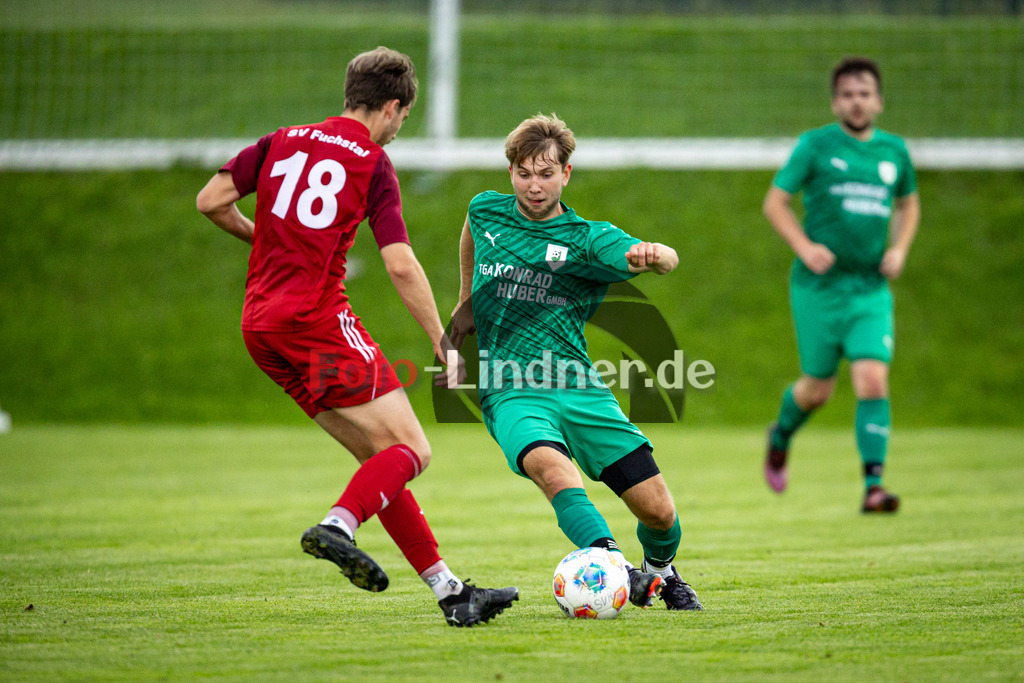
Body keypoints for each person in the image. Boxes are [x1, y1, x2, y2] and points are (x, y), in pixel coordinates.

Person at [196, 46, 517, 626]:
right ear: (392, 107)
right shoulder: (371, 163)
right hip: (316, 322)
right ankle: (337, 525)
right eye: (402, 117)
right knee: (412, 450)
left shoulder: (279, 141)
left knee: (379, 459)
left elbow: (210, 201)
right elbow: (399, 264)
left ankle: (451, 593)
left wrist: (265, 241)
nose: (398, 129)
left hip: (260, 327)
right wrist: (443, 342)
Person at [449, 114, 702, 611]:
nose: (534, 185)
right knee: (551, 467)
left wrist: (655, 254)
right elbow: (470, 237)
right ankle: (613, 566)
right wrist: (464, 304)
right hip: (510, 386)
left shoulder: (588, 238)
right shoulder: (486, 211)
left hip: (579, 387)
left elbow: (653, 257)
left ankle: (659, 571)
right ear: (511, 172)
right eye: (523, 173)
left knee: (659, 513)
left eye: (546, 174)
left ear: (566, 174)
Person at [762, 57, 920, 513]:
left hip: (869, 289)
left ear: (879, 101)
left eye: (865, 93)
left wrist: (899, 249)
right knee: (818, 389)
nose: (857, 101)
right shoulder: (815, 145)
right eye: (848, 94)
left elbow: (909, 205)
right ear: (835, 101)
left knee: (872, 378)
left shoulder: (894, 152)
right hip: (819, 289)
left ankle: (874, 486)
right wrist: (805, 246)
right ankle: (782, 434)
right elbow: (776, 202)